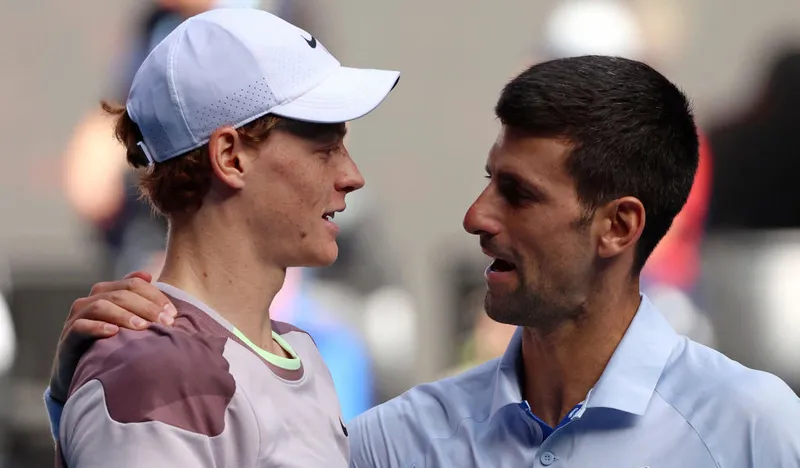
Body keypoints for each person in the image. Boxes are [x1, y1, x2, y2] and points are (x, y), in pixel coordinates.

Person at [46, 56, 800, 466]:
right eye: (322, 142)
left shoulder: (753, 427)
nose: (475, 216)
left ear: (618, 228)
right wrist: (83, 391)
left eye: (517, 193)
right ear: (228, 156)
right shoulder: (395, 440)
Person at [47, 8, 399, 468]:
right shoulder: (155, 373)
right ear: (231, 157)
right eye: (325, 147)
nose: (352, 176)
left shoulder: (301, 352)